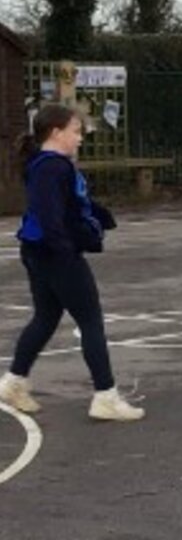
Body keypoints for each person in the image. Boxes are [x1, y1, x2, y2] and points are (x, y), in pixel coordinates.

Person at [0, 103, 143, 421]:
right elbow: (51, 215)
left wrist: (99, 216)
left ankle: (13, 382)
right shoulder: (52, 167)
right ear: (56, 133)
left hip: (39, 251)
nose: (80, 138)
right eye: (76, 132)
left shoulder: (48, 165)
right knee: (91, 321)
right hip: (54, 254)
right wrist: (67, 249)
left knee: (46, 318)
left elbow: (69, 205)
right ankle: (105, 396)